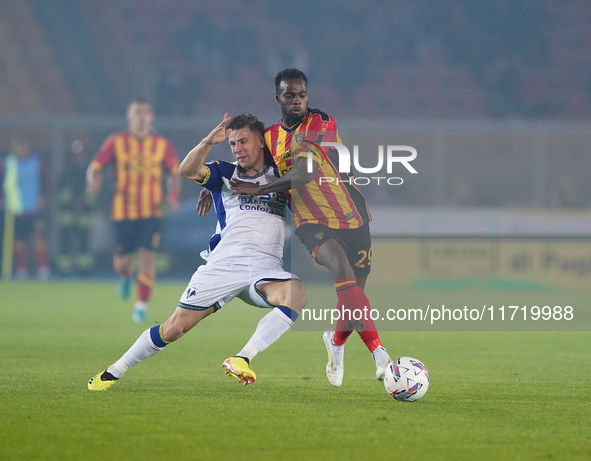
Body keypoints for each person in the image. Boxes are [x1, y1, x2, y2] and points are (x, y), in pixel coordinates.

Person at [88, 113, 307, 390]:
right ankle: (114, 371)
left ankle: (242, 358)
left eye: (244, 142)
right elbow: (188, 170)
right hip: (223, 266)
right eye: (232, 144)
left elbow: (310, 181)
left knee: (296, 294)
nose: (238, 148)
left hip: (265, 270)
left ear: (261, 143)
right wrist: (207, 142)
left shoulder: (282, 176)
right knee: (174, 329)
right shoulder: (225, 172)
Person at [228, 68, 391, 387]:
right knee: (341, 270)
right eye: (290, 95)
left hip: (350, 213)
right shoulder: (269, 137)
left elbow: (304, 172)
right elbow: (244, 163)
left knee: (353, 296)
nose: (298, 101)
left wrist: (261, 189)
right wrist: (210, 184)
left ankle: (336, 342)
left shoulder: (321, 122)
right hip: (309, 220)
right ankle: (380, 354)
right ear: (278, 98)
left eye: (302, 94)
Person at [86, 99, 181, 323]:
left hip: (152, 211)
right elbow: (95, 166)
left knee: (148, 257)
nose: (141, 116)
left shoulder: (161, 144)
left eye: (145, 112)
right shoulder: (115, 142)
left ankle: (141, 306)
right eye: (137, 112)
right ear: (129, 117)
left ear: (151, 117)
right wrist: (93, 181)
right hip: (123, 211)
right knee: (121, 263)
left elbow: (174, 173)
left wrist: (173, 195)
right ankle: (126, 275)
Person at [1, 134, 52, 279]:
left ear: (28, 147)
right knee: (18, 242)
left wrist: (44, 197)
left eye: (22, 145)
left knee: (38, 240)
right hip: (14, 210)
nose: (19, 149)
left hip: (33, 209)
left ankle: (43, 270)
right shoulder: (6, 163)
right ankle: (21, 270)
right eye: (16, 146)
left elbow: (49, 181)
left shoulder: (37, 162)